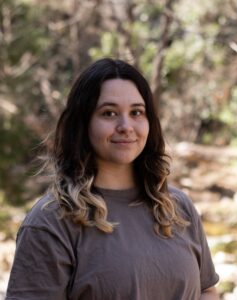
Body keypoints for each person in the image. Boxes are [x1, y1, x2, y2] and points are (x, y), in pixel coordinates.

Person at [6, 58, 219, 300]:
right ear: (83, 123)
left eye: (137, 112)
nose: (126, 125)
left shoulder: (177, 207)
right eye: (109, 113)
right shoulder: (51, 222)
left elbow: (207, 290)